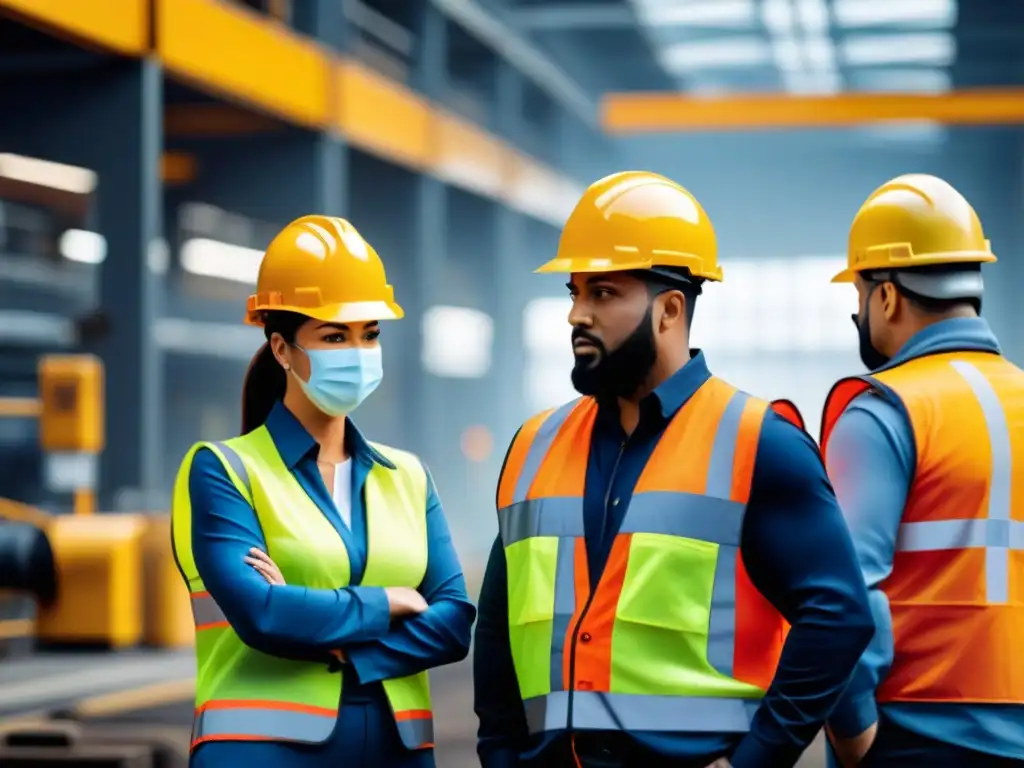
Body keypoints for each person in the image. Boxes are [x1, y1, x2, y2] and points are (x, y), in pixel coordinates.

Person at [473, 171, 874, 768]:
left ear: (669, 310)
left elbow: (838, 617)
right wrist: (501, 756)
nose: (576, 315)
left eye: (602, 293)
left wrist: (756, 760)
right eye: (574, 292)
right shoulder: (533, 445)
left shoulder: (760, 443)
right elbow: (497, 634)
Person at [170, 215, 476, 768]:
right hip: (261, 753)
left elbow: (454, 622)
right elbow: (263, 613)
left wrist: (338, 644)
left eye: (370, 334)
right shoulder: (224, 470)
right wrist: (391, 602)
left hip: (396, 752)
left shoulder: (408, 476)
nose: (358, 352)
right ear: (283, 349)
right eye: (335, 336)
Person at [820, 174, 1024, 767]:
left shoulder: (883, 412)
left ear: (885, 295)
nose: (858, 312)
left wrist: (854, 731)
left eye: (859, 294)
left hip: (914, 739)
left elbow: (845, 595)